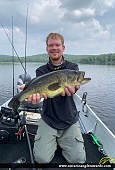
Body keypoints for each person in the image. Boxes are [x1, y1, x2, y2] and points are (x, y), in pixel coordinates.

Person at [21, 33, 86, 163]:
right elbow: (41, 91)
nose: (54, 48)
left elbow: (75, 87)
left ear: (63, 48)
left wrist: (75, 88)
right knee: (41, 159)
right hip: (48, 119)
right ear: (47, 49)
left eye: (57, 45)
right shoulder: (41, 71)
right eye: (51, 45)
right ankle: (54, 141)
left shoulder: (72, 68)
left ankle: (60, 142)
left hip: (69, 119)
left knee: (78, 160)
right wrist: (32, 97)